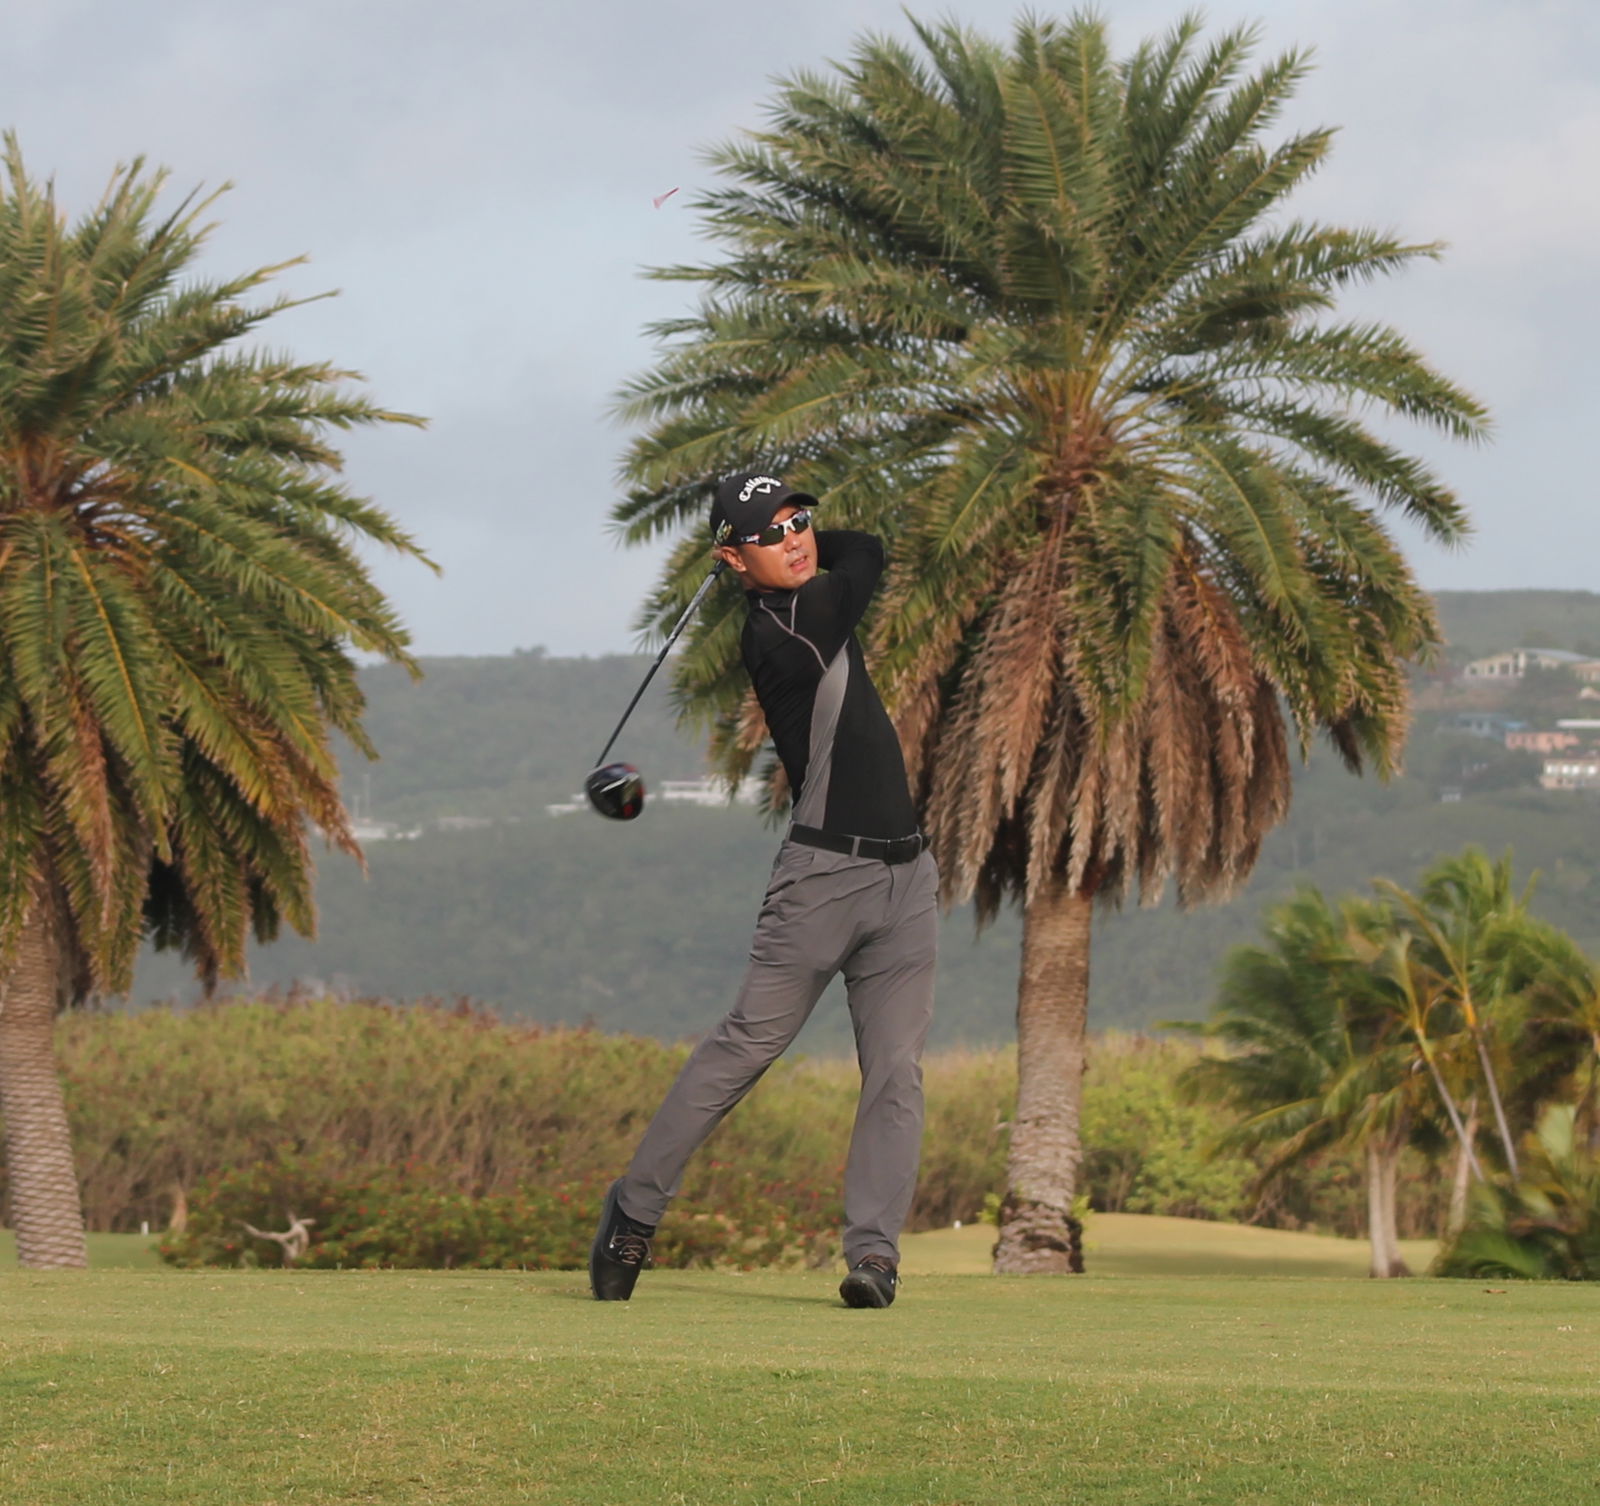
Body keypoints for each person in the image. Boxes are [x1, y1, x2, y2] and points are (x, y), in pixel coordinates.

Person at [589, 472, 939, 1308]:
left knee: (897, 1070)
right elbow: (871, 551)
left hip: (908, 877)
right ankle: (635, 1210)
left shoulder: (807, 594)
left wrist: (759, 543)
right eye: (770, 532)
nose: (796, 539)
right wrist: (759, 566)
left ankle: (875, 1257)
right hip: (823, 878)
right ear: (731, 558)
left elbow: (849, 551)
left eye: (798, 521)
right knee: (744, 1049)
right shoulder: (795, 627)